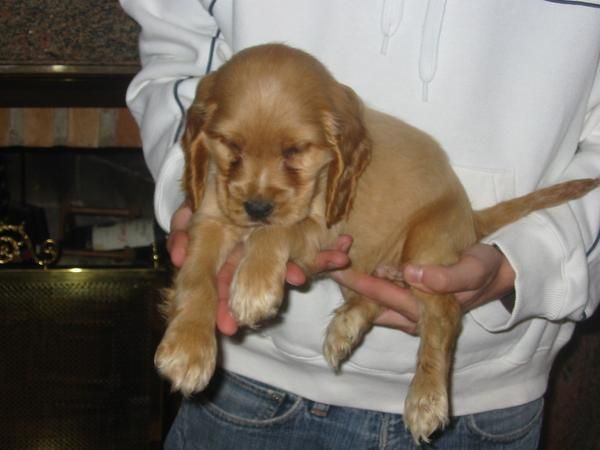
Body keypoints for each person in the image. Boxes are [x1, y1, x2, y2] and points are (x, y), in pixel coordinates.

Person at [120, 1, 600, 448]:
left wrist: (535, 257)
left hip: (485, 394)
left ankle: (413, 350)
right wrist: (181, 185)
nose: (259, 195)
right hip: (246, 378)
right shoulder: (233, 150)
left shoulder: (351, 149)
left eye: (295, 153)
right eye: (233, 149)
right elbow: (174, 47)